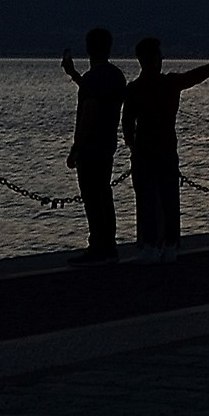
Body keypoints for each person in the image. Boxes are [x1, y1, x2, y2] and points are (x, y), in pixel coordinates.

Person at [120, 39, 209, 262]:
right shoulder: (169, 84)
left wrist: (132, 145)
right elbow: (194, 76)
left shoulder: (134, 89)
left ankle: (151, 246)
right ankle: (170, 245)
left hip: (144, 153)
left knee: (147, 200)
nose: (162, 60)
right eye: (159, 56)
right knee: (168, 198)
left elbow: (127, 123)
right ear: (150, 60)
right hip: (166, 151)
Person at [61, 27, 127, 264]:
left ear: (89, 49)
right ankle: (108, 244)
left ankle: (97, 245)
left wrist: (76, 148)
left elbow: (89, 109)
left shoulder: (92, 79)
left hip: (90, 148)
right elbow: (98, 93)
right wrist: (74, 75)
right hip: (108, 145)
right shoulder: (117, 76)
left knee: (91, 197)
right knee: (104, 194)